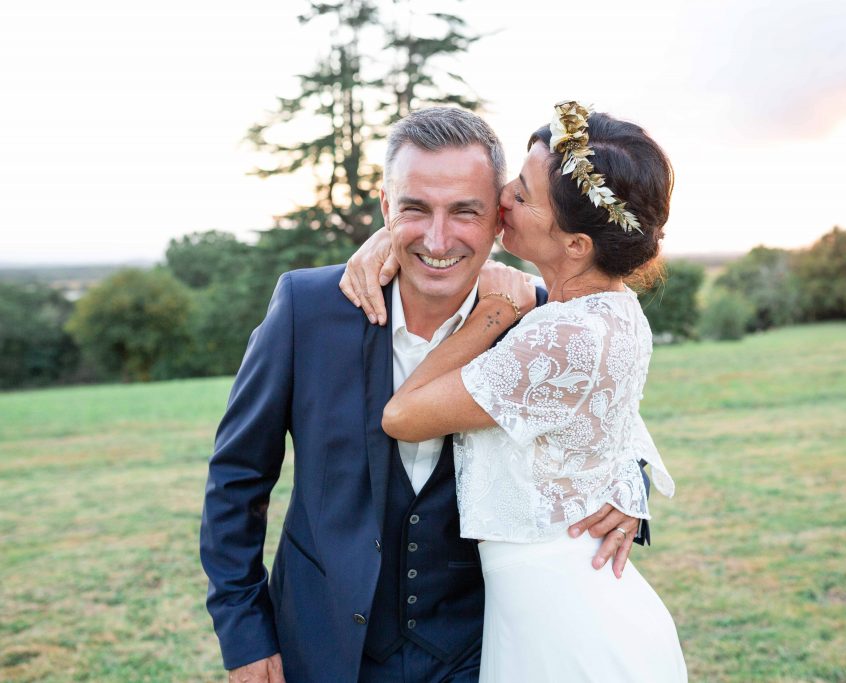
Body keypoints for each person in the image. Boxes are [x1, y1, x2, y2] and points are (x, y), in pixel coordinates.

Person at [199, 106, 648, 683]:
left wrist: (631, 490)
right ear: (386, 209)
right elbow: (237, 479)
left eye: (465, 211)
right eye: (415, 209)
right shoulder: (306, 310)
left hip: (481, 650)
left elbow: (606, 416)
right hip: (321, 645)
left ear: (498, 219)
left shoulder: (539, 321)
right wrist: (244, 634)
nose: (439, 239)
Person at [340, 101, 685, 681]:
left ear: (576, 245)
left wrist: (493, 314)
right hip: (556, 600)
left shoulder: (557, 330)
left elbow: (402, 415)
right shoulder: (615, 310)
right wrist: (390, 236)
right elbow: (604, 417)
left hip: (564, 619)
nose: (500, 196)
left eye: (522, 195)